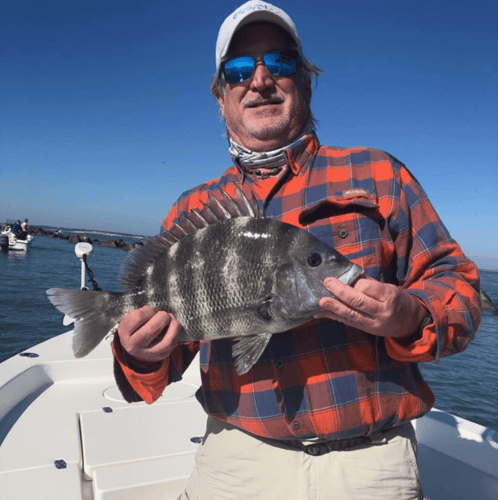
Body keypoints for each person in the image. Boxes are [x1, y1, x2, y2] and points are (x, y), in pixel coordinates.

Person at [112, 2, 481, 499]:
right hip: (234, 461)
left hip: (369, 462)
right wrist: (137, 354)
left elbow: (458, 283)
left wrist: (411, 314)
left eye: (280, 62)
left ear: (305, 82)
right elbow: (160, 367)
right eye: (239, 70)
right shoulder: (192, 209)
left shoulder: (377, 174)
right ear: (221, 98)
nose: (260, 79)